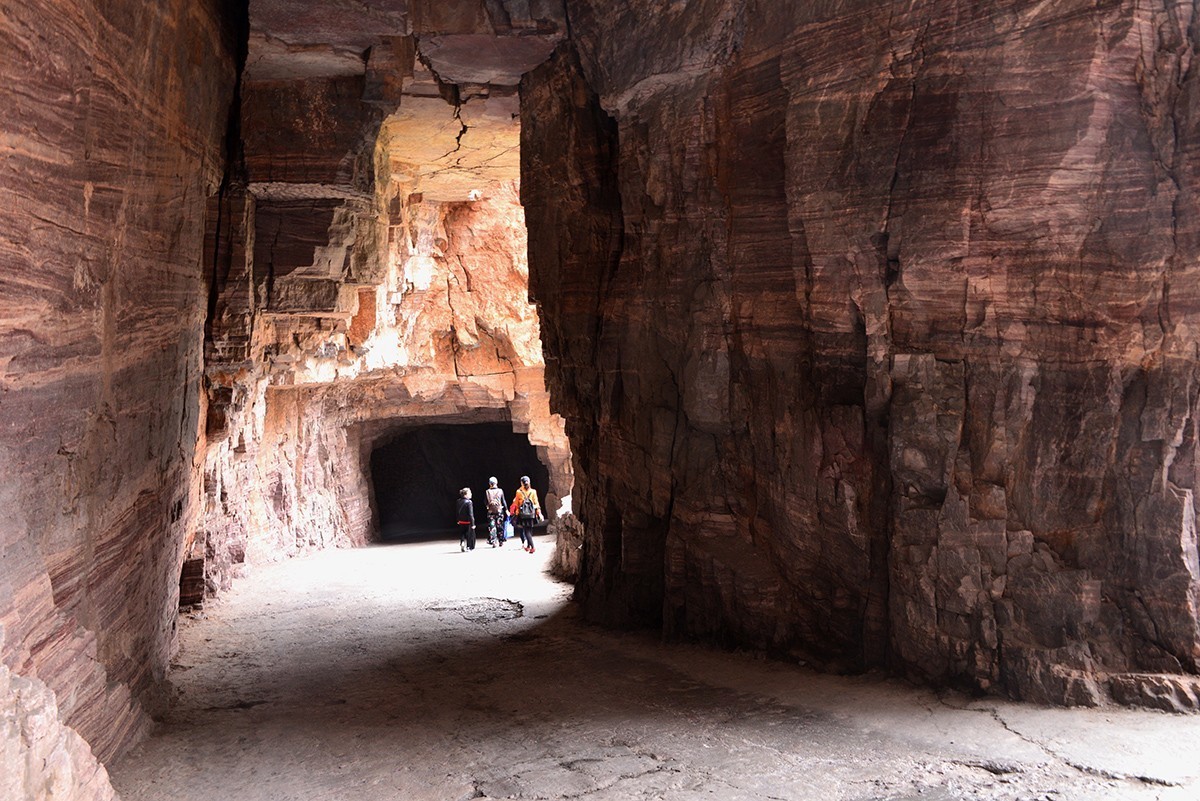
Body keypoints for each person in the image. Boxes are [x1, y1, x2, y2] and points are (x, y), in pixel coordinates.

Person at [508, 475, 543, 553]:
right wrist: (539, 513)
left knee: (526, 531)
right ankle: (528, 546)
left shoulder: (518, 492)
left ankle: (533, 547)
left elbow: (516, 504)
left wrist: (512, 513)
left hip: (522, 515)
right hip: (531, 514)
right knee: (529, 530)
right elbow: (536, 503)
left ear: (521, 483)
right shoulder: (533, 491)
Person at [484, 477, 508, 547]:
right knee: (500, 525)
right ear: (496, 483)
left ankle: (493, 541)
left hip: (490, 511)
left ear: (489, 483)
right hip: (499, 510)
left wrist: (487, 506)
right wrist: (506, 509)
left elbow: (485, 501)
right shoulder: (500, 491)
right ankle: (501, 540)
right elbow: (503, 501)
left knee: (492, 526)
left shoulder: (487, 491)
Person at [456, 487, 477, 552]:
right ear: (465, 494)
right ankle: (468, 546)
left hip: (461, 521)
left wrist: (458, 520)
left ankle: (462, 542)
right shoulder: (469, 502)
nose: (471, 494)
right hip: (468, 522)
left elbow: (457, 511)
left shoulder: (458, 501)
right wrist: (473, 523)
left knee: (462, 533)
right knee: (469, 534)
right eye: (469, 493)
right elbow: (471, 514)